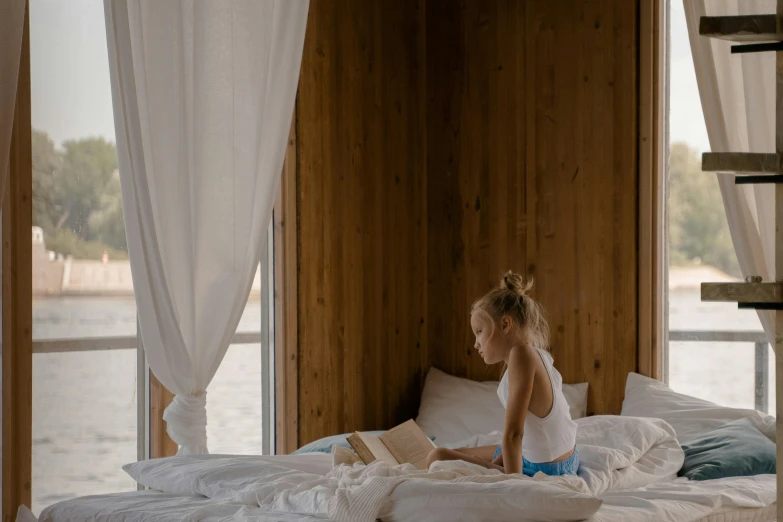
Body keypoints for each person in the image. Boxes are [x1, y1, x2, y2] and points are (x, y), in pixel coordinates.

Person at [426, 271, 579, 476]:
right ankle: (482, 462)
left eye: (479, 331)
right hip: (564, 458)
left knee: (437, 456)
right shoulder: (534, 353)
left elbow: (514, 435)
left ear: (505, 324)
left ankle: (485, 464)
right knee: (460, 453)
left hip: (546, 467)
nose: (475, 343)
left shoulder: (521, 355)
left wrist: (513, 484)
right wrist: (495, 462)